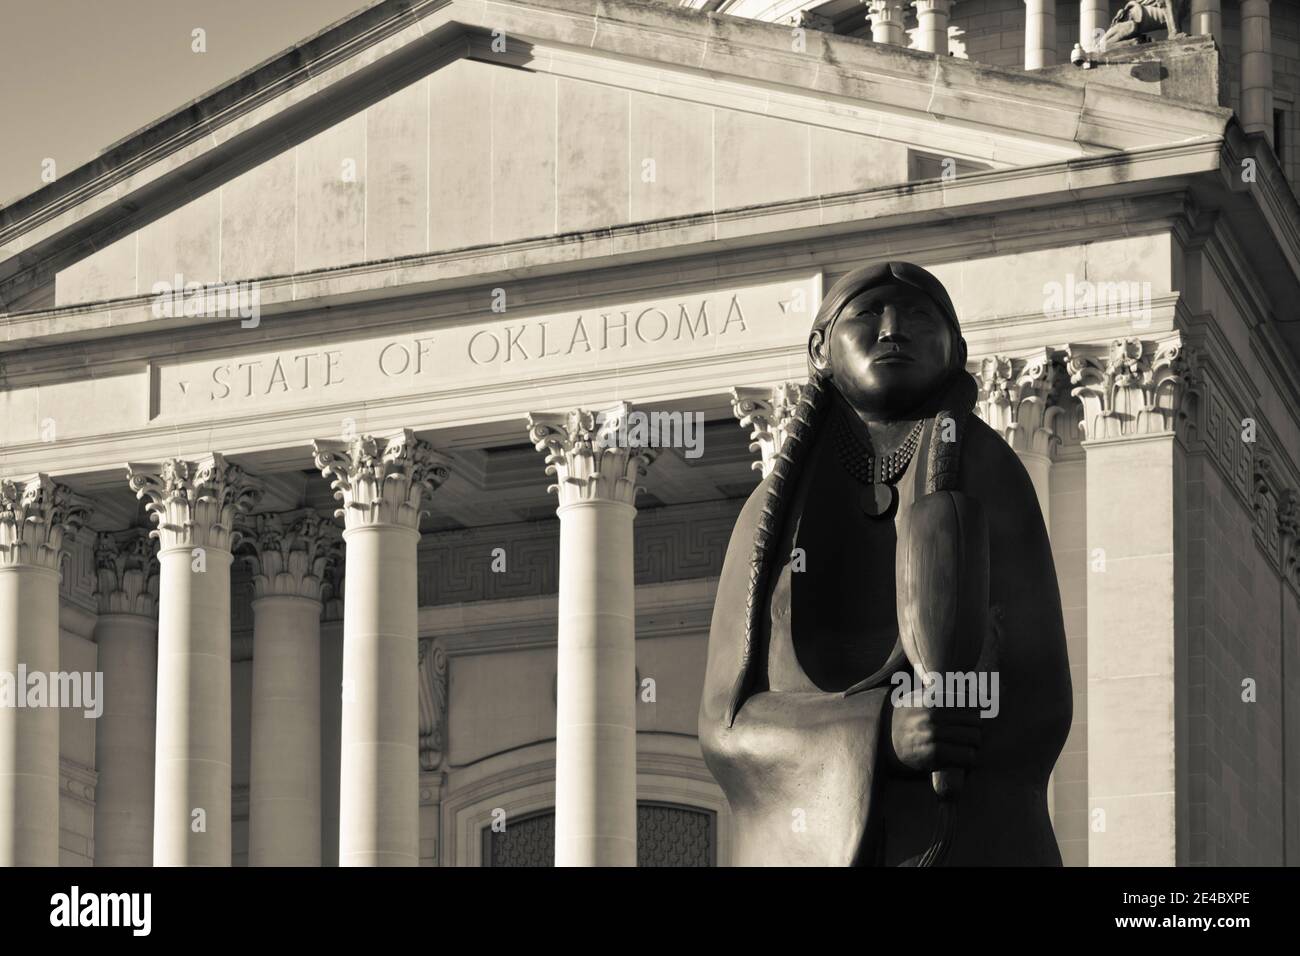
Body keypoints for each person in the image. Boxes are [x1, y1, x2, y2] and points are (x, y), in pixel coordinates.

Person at [698, 262, 1072, 865]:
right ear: (820, 349)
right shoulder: (767, 513)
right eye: (868, 314)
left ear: (956, 350)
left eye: (919, 316)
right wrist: (879, 735)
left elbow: (1042, 698)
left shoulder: (992, 475)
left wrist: (958, 725)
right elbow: (725, 726)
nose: (893, 330)